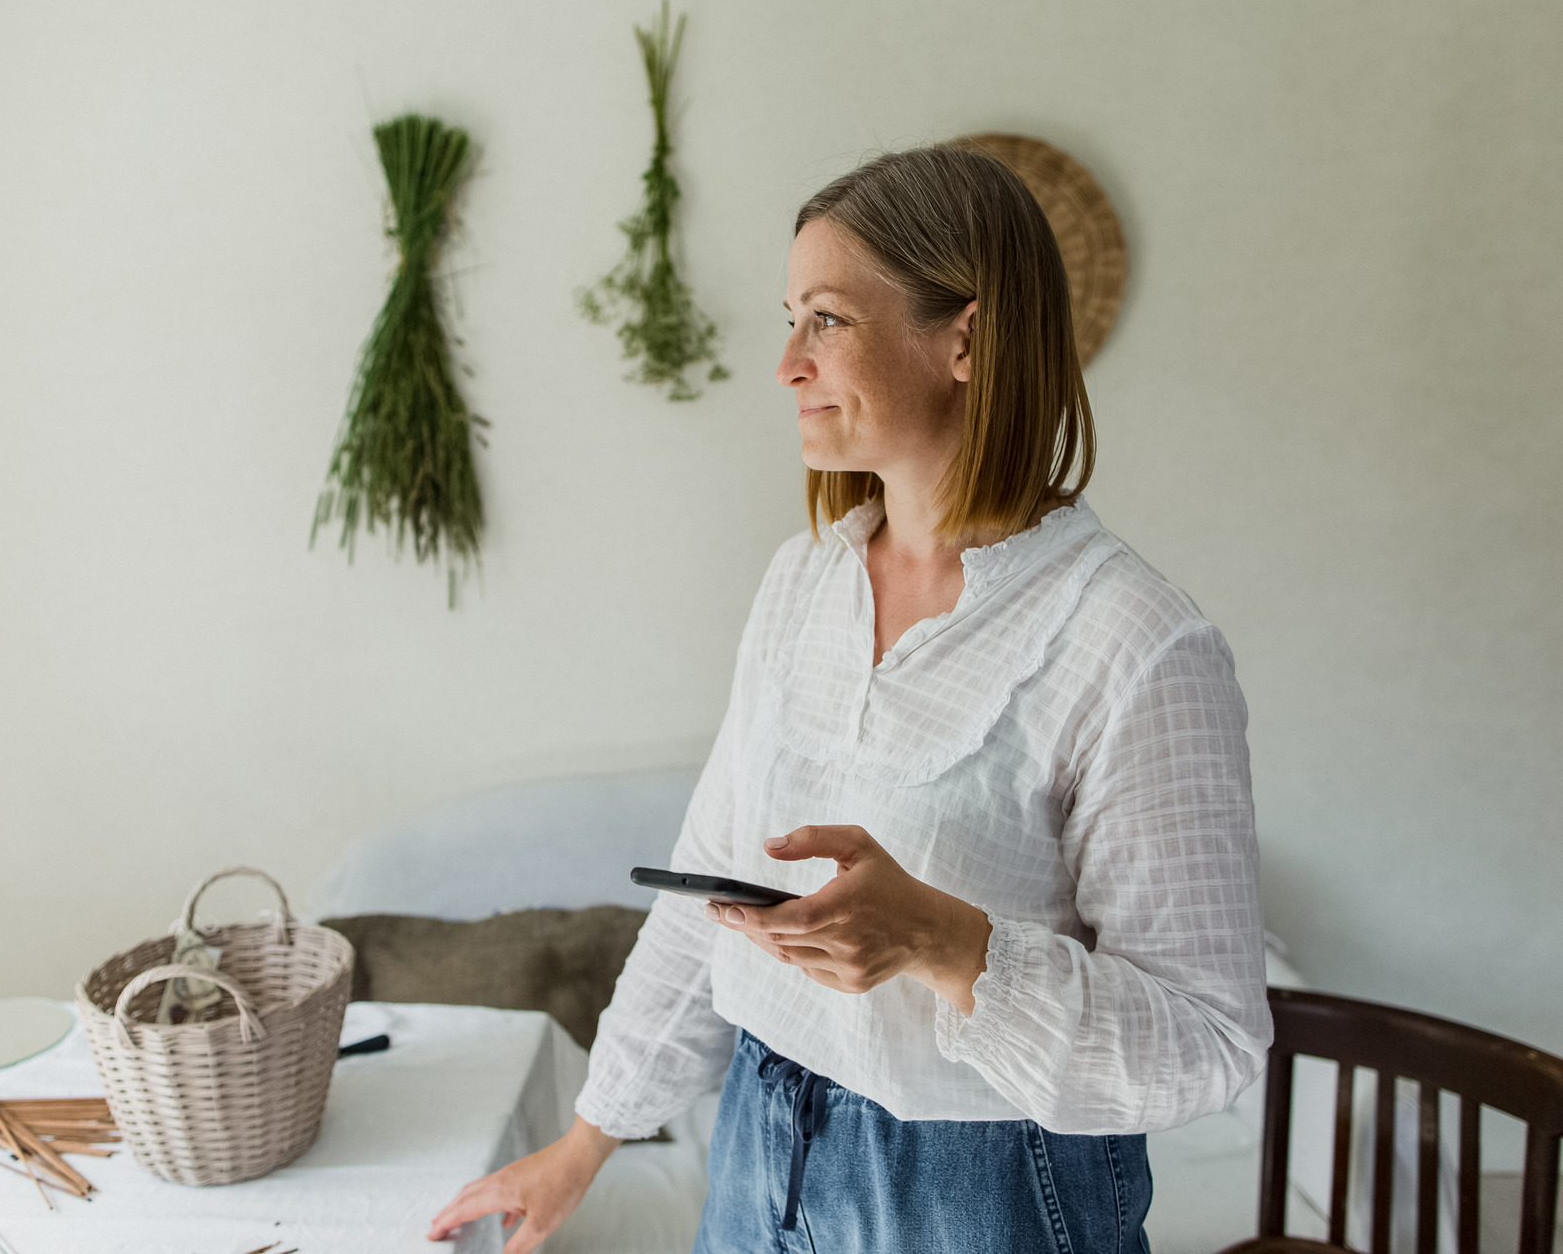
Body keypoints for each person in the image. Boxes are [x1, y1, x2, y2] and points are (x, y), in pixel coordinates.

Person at [428, 141, 1270, 1254]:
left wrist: (949, 941)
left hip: (986, 1194)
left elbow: (1210, 1042)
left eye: (825, 318)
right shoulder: (803, 579)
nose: (785, 362)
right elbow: (706, 895)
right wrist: (589, 1137)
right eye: (792, 318)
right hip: (757, 1146)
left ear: (963, 338)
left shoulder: (1138, 641)